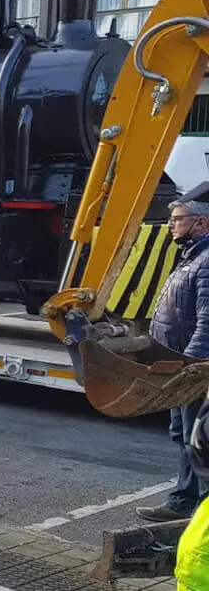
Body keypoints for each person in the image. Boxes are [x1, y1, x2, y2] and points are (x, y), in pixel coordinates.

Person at [136, 189, 209, 524]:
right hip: (177, 362)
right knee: (182, 435)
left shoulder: (206, 260)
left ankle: (196, 511)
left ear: (201, 222)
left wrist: (191, 366)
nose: (170, 225)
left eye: (177, 219)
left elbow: (207, 321)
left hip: (190, 367)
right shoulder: (192, 256)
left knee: (197, 440)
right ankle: (183, 501)